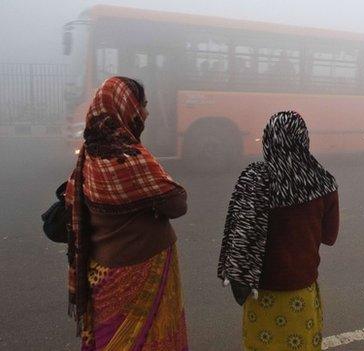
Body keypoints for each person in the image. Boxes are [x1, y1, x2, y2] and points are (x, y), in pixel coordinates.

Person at [65, 76, 189, 350]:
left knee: (111, 334)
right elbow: (178, 203)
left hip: (102, 268)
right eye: (141, 105)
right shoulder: (129, 158)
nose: (146, 113)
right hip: (141, 266)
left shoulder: (88, 155)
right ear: (125, 108)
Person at [218, 111, 339, 351]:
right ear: (304, 139)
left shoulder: (254, 179)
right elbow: (329, 236)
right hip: (301, 290)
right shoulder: (323, 183)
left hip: (261, 291)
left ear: (268, 139)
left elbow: (237, 233)